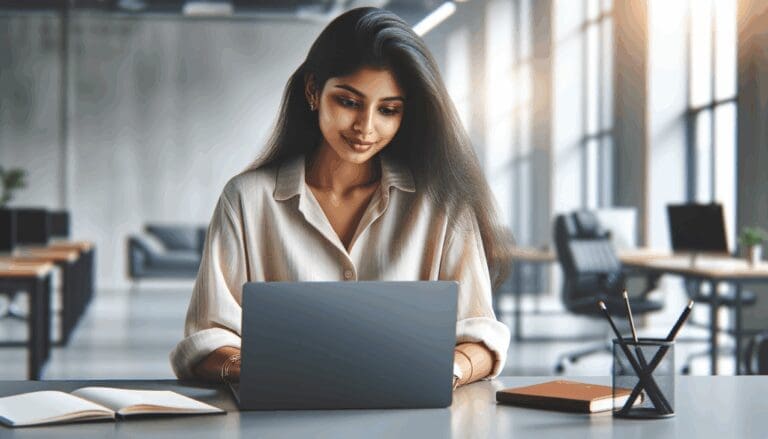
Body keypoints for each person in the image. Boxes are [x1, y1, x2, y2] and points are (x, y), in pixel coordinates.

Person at [170, 7, 512, 389]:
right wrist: (256, 371)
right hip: (281, 417)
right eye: (348, 102)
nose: (366, 127)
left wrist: (446, 372)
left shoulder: (444, 205)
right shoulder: (247, 200)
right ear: (313, 91)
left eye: (388, 110)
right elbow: (206, 337)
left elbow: (481, 334)